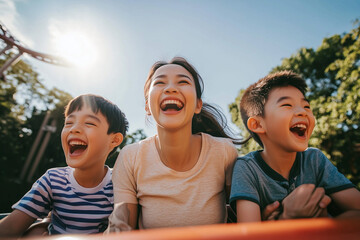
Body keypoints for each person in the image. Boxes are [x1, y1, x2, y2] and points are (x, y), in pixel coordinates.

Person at [108, 57, 243, 231]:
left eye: (183, 81)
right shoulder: (130, 157)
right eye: (160, 82)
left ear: (197, 105)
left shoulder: (224, 152)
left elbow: (242, 212)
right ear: (148, 107)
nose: (171, 88)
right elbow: (122, 223)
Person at [230, 71, 360, 222]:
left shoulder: (315, 160)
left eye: (306, 106)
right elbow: (249, 235)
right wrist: (287, 218)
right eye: (287, 105)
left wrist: (322, 221)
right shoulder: (247, 169)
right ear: (257, 124)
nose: (302, 112)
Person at [0, 94, 128, 237]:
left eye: (89, 123)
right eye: (68, 123)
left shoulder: (120, 185)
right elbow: (11, 227)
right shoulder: (52, 179)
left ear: (114, 140)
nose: (74, 129)